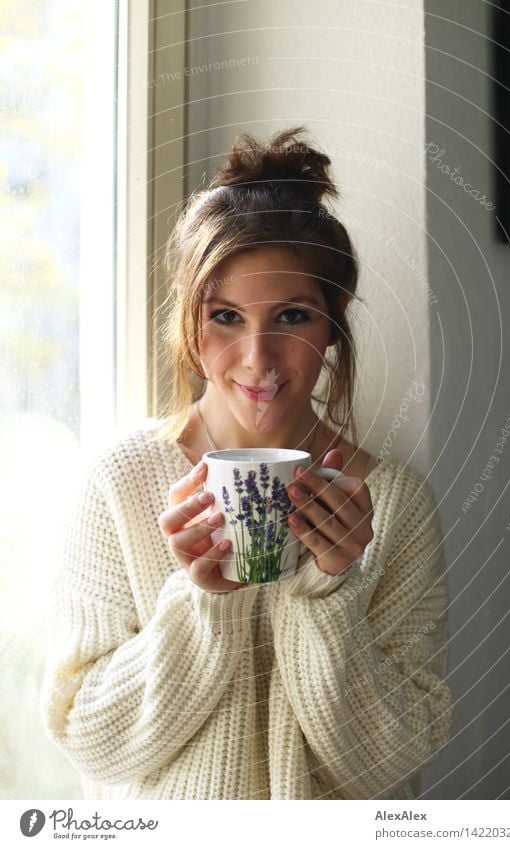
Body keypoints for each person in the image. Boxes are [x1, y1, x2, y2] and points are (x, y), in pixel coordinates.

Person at [40, 126, 452, 800]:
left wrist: (329, 590)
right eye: (225, 316)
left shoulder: (393, 503)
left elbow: (392, 762)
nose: (257, 359)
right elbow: (91, 739)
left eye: (291, 315)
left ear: (333, 320)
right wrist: (201, 600)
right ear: (187, 319)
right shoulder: (121, 481)